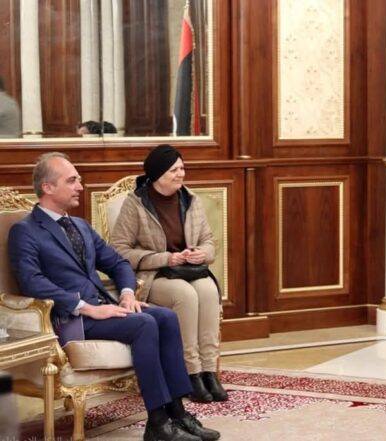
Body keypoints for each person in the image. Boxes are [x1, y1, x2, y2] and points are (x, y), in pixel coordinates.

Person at [8, 152, 220, 441]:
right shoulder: (25, 231)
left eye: (79, 180)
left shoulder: (81, 225)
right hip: (70, 319)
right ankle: (157, 422)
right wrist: (86, 308)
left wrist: (128, 294)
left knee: (166, 317)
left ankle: (178, 414)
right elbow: (32, 282)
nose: (80, 186)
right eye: (72, 181)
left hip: (105, 307)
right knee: (145, 323)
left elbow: (118, 262)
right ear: (48, 187)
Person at [110, 144, 227, 403]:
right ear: (158, 173)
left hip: (189, 270)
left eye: (182, 168)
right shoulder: (136, 204)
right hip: (154, 276)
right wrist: (166, 258)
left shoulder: (191, 199)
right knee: (185, 295)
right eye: (174, 170)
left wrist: (201, 254)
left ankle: (209, 371)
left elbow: (209, 241)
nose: (181, 174)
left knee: (208, 290)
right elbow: (119, 250)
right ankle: (190, 373)